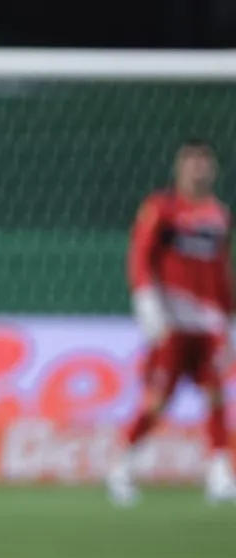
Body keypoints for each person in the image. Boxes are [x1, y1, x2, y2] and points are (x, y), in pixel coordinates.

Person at [107, 138, 236, 506]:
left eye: (204, 163)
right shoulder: (161, 209)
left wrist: (229, 317)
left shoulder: (218, 215)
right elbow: (141, 255)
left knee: (216, 395)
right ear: (180, 168)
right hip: (171, 320)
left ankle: (220, 473)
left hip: (208, 323)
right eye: (192, 162)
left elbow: (221, 270)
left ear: (213, 169)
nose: (198, 170)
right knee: (158, 399)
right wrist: (146, 300)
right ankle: (122, 463)